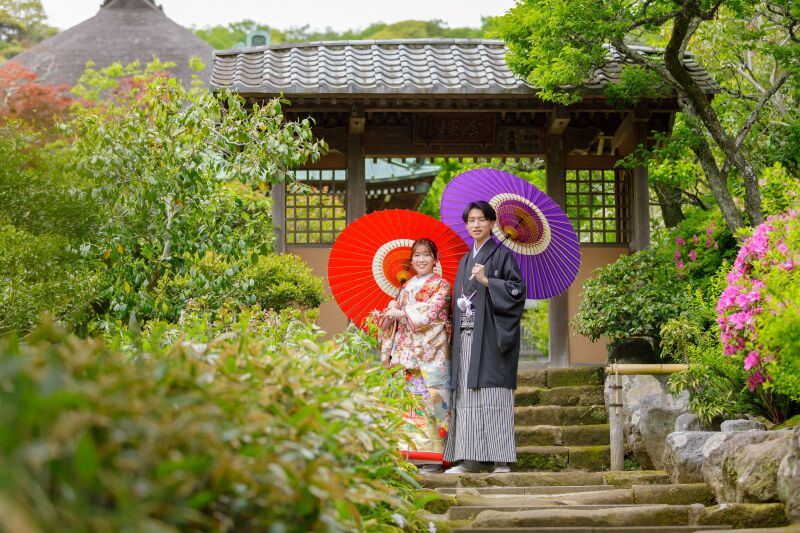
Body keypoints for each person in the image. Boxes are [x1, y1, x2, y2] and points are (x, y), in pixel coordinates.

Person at [443, 200, 526, 474]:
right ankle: (470, 459)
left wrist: (489, 281)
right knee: (467, 395)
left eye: (481, 219)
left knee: (493, 393)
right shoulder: (466, 259)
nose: (476, 225)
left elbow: (517, 292)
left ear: (492, 223)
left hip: (490, 337)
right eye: (471, 221)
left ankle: (500, 460)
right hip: (466, 339)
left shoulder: (502, 256)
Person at [380, 238, 452, 474]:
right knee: (408, 406)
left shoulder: (442, 286)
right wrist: (390, 312)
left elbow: (434, 313)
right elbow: (394, 322)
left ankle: (432, 456)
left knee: (429, 403)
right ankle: (408, 454)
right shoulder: (405, 287)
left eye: (426, 255)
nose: (421, 260)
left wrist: (403, 312)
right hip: (404, 355)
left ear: (435, 259)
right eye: (417, 256)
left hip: (429, 354)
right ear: (411, 261)